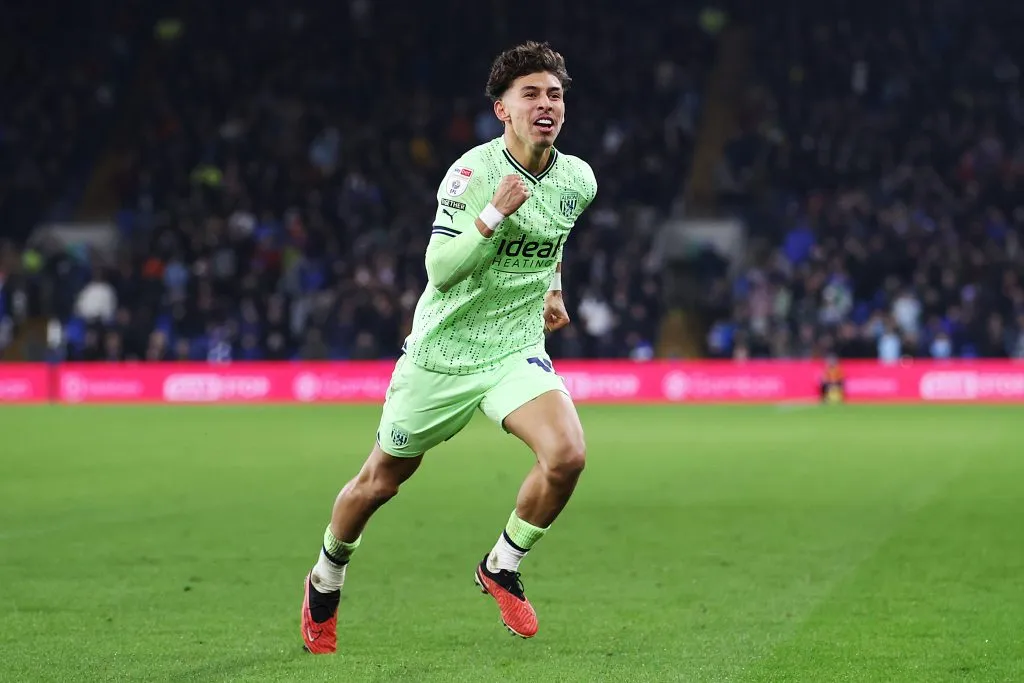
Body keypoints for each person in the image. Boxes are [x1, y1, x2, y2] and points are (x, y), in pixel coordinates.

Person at [301, 41, 598, 653]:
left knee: (566, 455)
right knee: (380, 482)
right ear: (503, 111)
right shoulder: (472, 174)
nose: (547, 104)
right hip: (443, 353)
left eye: (555, 94)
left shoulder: (578, 179)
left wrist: (554, 288)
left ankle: (501, 565)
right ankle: (326, 576)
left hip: (514, 347)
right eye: (531, 95)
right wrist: (492, 213)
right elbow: (440, 267)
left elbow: (556, 234)